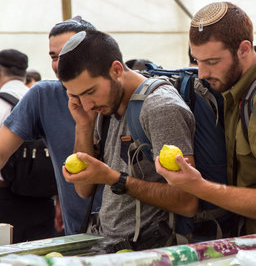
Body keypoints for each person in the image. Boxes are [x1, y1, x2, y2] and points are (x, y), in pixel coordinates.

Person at [155, 2, 256, 236]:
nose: (202, 73)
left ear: (243, 49)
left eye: (211, 62)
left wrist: (197, 187)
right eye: (197, 60)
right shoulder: (239, 84)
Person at [58, 30, 197, 250]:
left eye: (90, 92)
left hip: (150, 252)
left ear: (116, 70)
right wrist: (83, 125)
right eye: (77, 96)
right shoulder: (102, 109)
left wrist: (114, 178)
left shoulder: (160, 108)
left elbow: (187, 201)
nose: (86, 105)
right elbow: (84, 190)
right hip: (111, 247)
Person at [0, 16, 102, 236]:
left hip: (134, 237)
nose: (59, 63)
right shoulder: (43, 96)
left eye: (67, 53)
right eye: (54, 56)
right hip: (78, 235)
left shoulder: (120, 98)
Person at [0, 49, 56, 243]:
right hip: (45, 196)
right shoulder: (41, 100)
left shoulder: (1, 103)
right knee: (43, 255)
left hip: (6, 199)